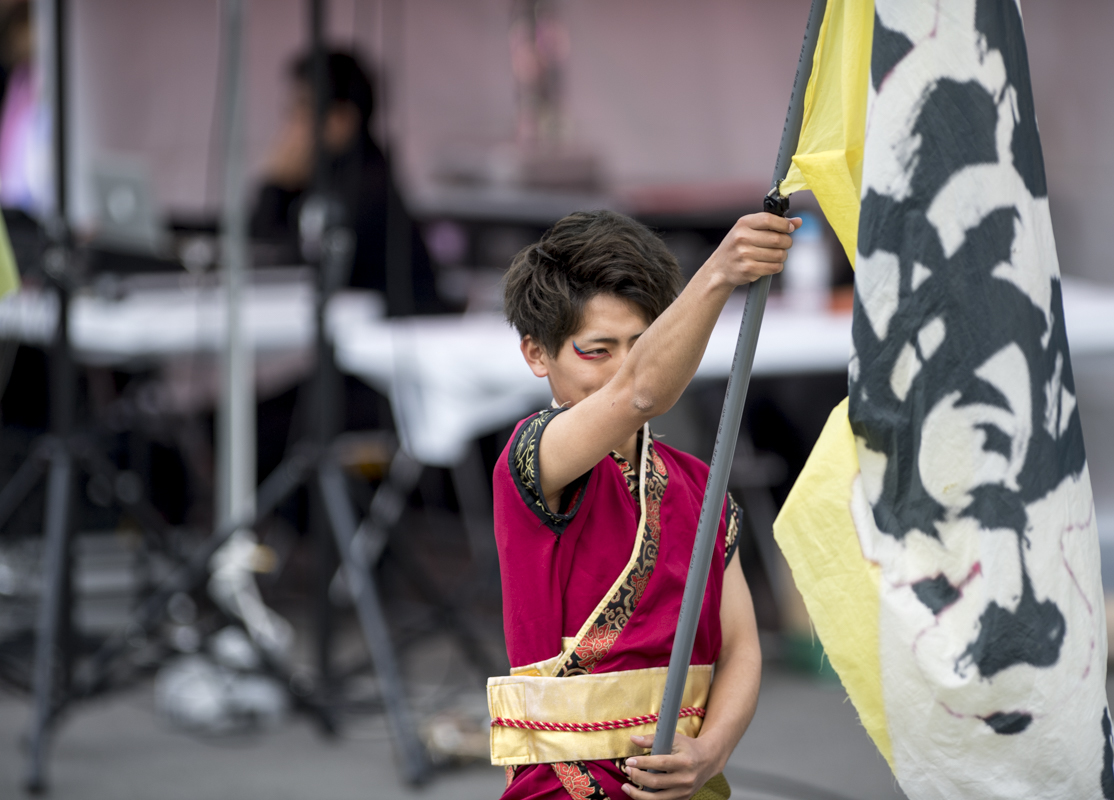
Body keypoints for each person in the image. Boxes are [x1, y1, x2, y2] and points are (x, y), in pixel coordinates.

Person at [491, 208, 797, 799]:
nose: (624, 367)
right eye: (597, 350)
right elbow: (640, 392)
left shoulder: (702, 488)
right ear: (537, 354)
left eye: (643, 344)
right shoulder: (534, 457)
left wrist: (709, 753)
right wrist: (717, 274)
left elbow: (740, 649)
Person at [250, 49, 441, 316]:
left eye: (301, 109)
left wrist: (274, 184)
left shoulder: (366, 188)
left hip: (392, 342)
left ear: (342, 119)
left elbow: (280, 261)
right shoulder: (326, 177)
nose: (290, 124)